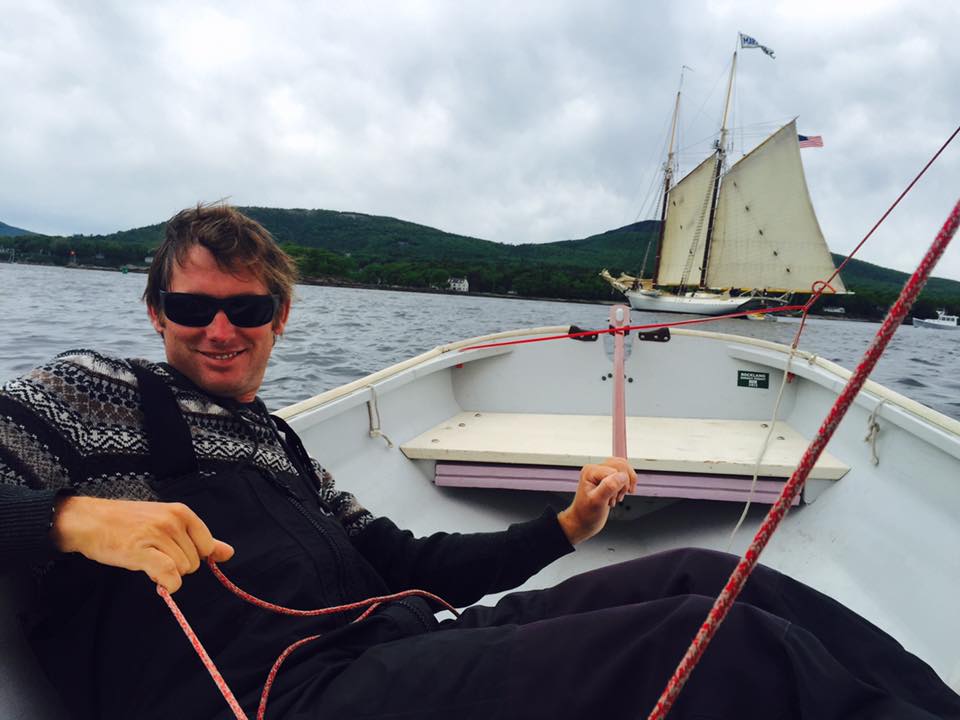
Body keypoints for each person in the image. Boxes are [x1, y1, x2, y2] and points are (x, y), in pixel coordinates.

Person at [1, 204, 957, 720]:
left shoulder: (280, 445)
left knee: (710, 580)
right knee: (712, 649)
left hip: (391, 650)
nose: (219, 330)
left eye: (246, 309)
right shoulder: (89, 394)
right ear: (154, 312)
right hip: (278, 700)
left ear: (280, 318)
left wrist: (569, 526)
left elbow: (413, 564)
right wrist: (69, 519)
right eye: (191, 308)